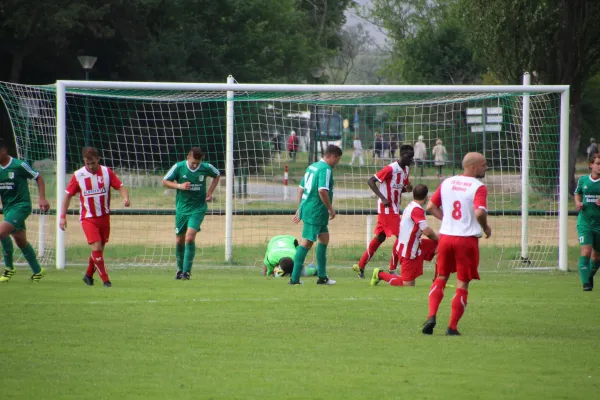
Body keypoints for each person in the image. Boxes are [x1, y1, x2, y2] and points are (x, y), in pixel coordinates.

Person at [422, 152, 490, 336]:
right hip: (466, 240)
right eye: (484, 165)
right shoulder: (478, 187)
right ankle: (452, 327)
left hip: (445, 237)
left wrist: (447, 220)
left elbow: (430, 207)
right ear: (473, 167)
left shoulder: (447, 182)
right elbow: (479, 213)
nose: (486, 167)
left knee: (441, 277)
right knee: (462, 283)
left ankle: (431, 315)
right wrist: (486, 227)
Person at [59, 147, 130, 287]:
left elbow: (120, 186)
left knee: (99, 250)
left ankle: (88, 275)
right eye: (87, 163)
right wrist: (62, 216)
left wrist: (125, 198)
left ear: (98, 159)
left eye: (92, 163)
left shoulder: (106, 172)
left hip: (104, 217)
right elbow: (67, 195)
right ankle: (106, 280)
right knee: (96, 247)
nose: (90, 166)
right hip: (88, 218)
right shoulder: (78, 175)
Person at [352, 145, 415, 278]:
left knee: (380, 237)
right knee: (402, 236)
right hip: (387, 209)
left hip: (394, 208)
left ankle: (360, 266)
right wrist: (383, 198)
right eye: (409, 157)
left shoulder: (406, 170)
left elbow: (399, 188)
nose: (411, 160)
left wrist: (407, 189)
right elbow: (371, 181)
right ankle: (392, 269)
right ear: (402, 155)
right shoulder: (390, 168)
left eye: (412, 157)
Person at [163, 147, 220, 280]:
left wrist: (210, 192)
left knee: (189, 237)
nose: (195, 165)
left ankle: (186, 272)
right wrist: (180, 186)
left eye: (197, 163)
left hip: (198, 208)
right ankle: (180, 270)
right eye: (193, 162)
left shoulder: (206, 167)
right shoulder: (179, 167)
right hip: (182, 209)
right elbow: (165, 181)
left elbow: (217, 175)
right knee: (179, 239)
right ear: (188, 157)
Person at [289, 144, 343, 285]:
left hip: (310, 209)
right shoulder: (325, 169)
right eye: (338, 159)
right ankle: (294, 279)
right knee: (307, 242)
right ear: (332, 157)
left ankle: (322, 277)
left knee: (324, 238)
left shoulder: (312, 167)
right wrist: (330, 208)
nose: (337, 162)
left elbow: (301, 189)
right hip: (316, 211)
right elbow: (322, 191)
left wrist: (300, 207)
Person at [0, 141, 50, 283]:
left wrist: (42, 198)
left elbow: (38, 177)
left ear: (3, 151)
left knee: (1, 232)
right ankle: (38, 271)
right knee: (21, 241)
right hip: (8, 208)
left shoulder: (19, 165)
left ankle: (9, 268)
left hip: (22, 206)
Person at [370, 184, 438, 287]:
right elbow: (426, 231)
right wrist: (438, 238)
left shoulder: (411, 205)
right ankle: (380, 274)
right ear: (426, 196)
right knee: (407, 284)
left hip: (415, 245)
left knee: (441, 246)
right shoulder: (417, 210)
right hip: (409, 250)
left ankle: (438, 282)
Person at [574, 155, 600, 291]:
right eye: (598, 163)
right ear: (591, 165)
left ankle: (589, 275)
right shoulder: (583, 180)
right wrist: (578, 202)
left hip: (599, 224)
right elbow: (577, 193)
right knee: (586, 251)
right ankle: (586, 284)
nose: (599, 166)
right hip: (585, 222)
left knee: (597, 256)